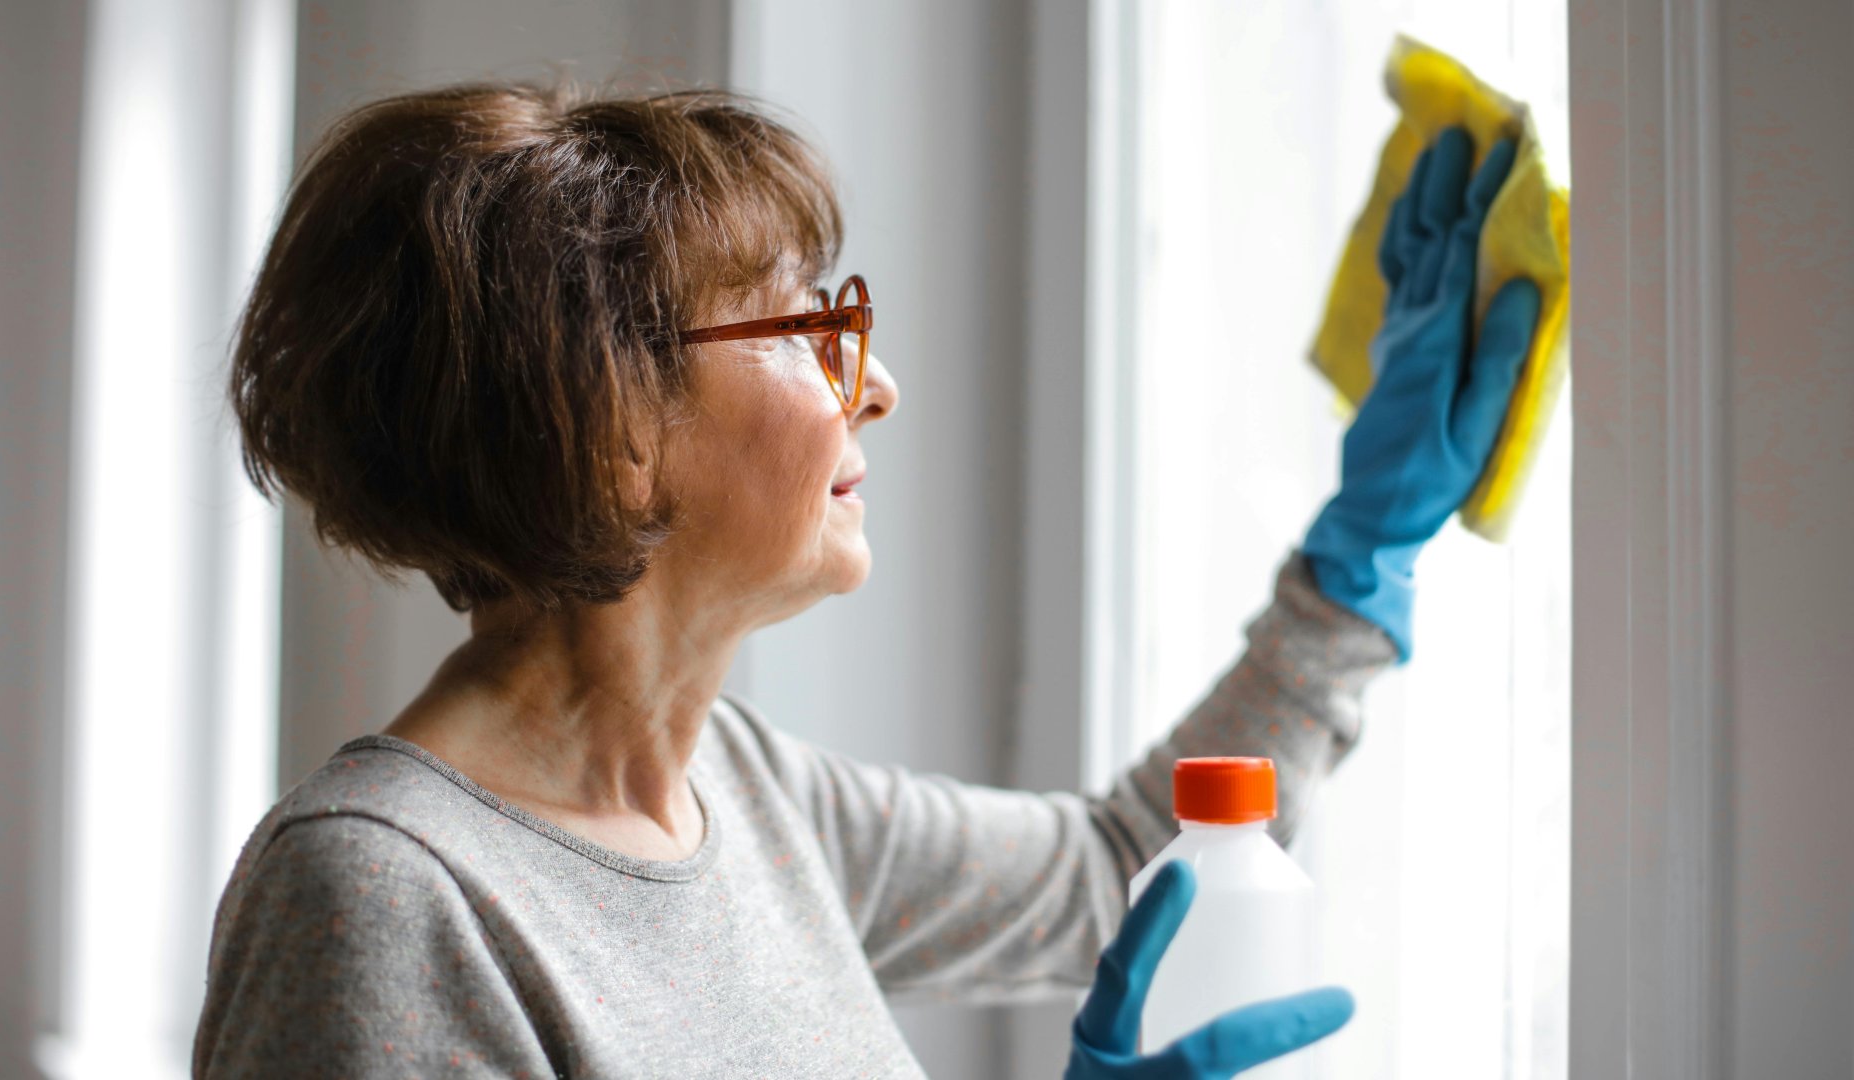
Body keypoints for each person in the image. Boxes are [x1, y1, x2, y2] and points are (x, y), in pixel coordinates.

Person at [194, 81, 1535, 1078]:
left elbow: (1123, 872)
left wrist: (1363, 551)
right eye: (807, 327)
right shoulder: (380, 901)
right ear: (604, 429)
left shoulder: (754, 797)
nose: (877, 386)